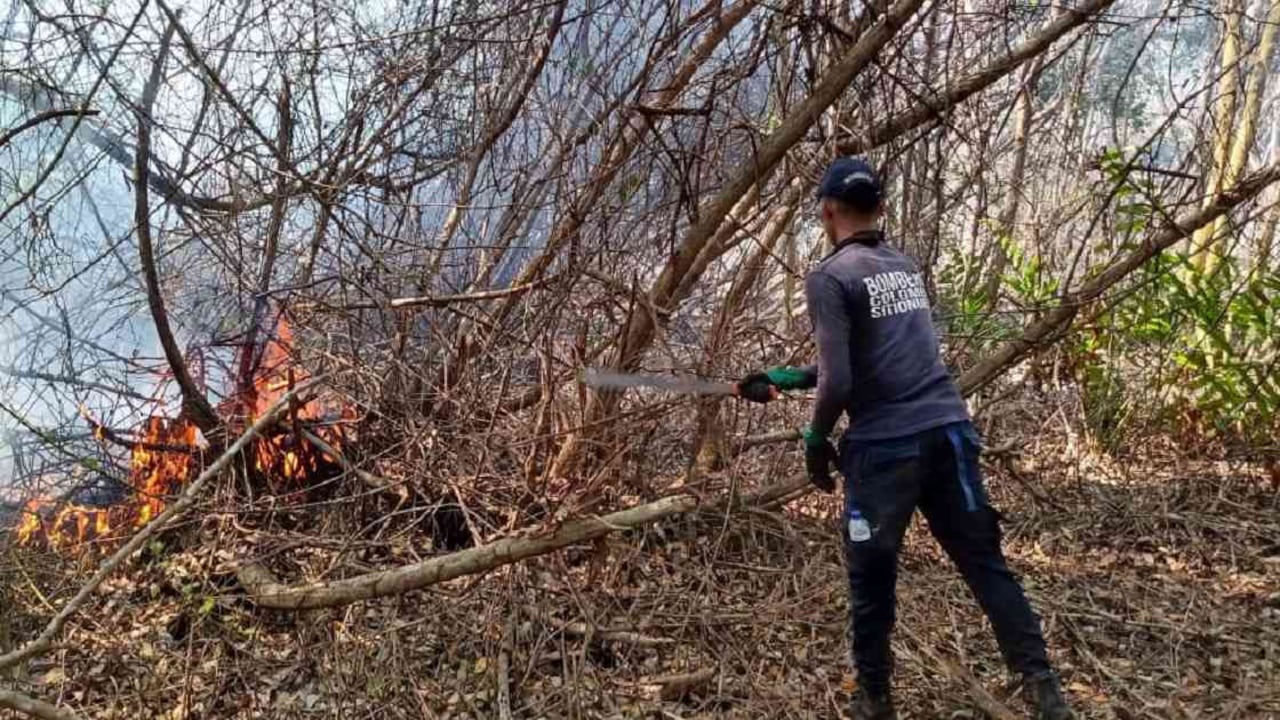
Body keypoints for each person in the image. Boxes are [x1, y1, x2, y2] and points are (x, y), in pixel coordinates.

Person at [736, 157, 1073, 720]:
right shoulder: (901, 265)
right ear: (881, 209)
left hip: (887, 450)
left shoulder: (829, 277)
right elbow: (875, 362)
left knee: (871, 576)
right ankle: (1043, 690)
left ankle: (875, 699)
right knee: (985, 564)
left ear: (826, 211)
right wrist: (787, 376)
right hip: (950, 434)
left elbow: (842, 378)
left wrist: (816, 438)